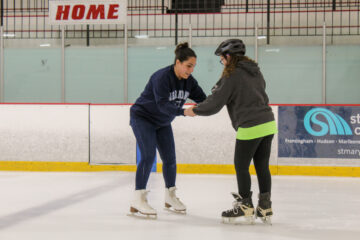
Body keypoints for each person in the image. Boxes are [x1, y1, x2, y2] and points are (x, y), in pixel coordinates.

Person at [185, 39, 277, 224]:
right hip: (268, 123)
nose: (222, 62)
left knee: (241, 166)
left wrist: (194, 110)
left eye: (222, 58)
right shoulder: (256, 71)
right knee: (262, 166)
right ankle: (265, 206)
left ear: (228, 56)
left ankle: (245, 205)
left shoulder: (232, 75)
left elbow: (216, 102)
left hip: (250, 125)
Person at [129, 42, 207, 218]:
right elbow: (163, 104)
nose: (191, 70)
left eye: (193, 66)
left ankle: (170, 197)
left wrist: (219, 98)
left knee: (170, 159)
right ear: (178, 62)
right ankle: (138, 198)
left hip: (163, 122)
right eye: (188, 66)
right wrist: (183, 112)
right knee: (148, 156)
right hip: (142, 118)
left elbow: (203, 99)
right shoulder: (162, 77)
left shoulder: (189, 82)